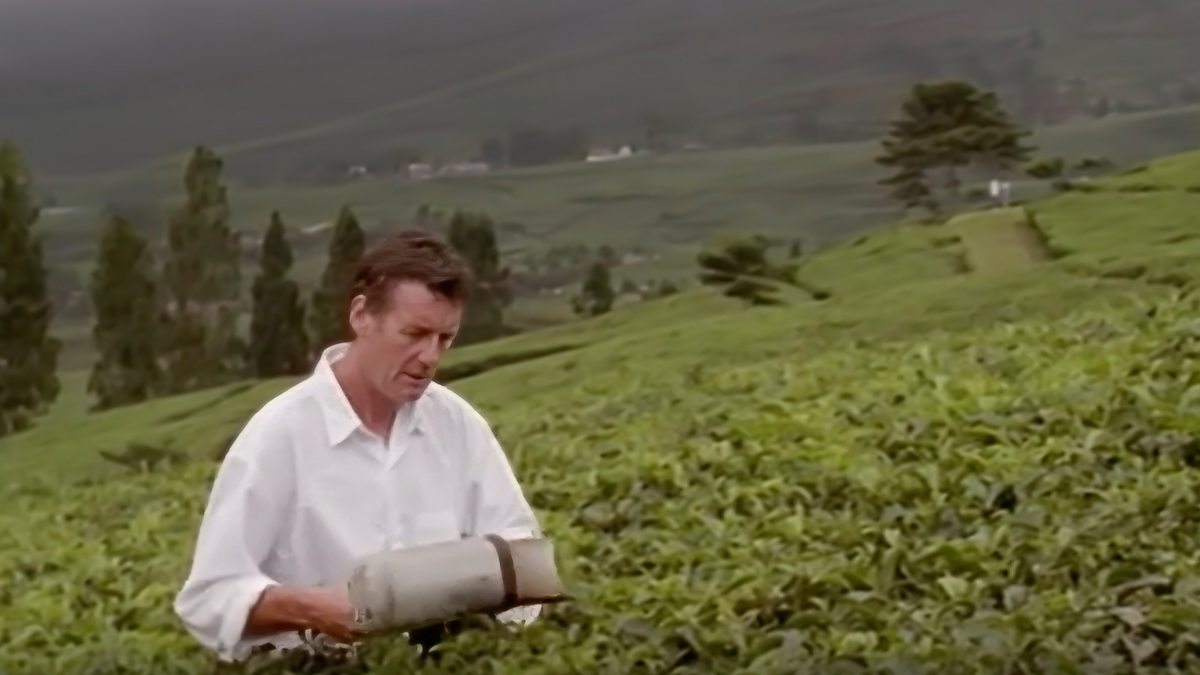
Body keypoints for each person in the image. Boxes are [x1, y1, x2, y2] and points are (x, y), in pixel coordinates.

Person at [174, 230, 542, 662]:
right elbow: (210, 600)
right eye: (414, 333)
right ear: (362, 316)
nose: (430, 357)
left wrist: (485, 595)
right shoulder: (279, 436)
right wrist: (313, 609)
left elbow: (525, 560)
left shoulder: (457, 425)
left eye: (444, 339)